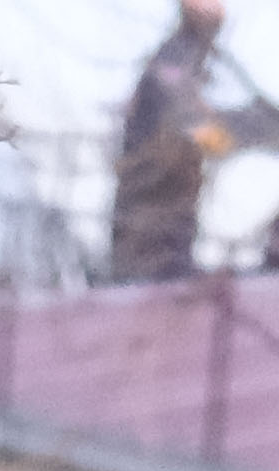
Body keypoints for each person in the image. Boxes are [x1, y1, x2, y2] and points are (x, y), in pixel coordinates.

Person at [109, 0, 266, 277]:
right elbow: (179, 108)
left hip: (171, 184)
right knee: (153, 256)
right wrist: (218, 139)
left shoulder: (195, 57)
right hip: (155, 181)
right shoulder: (175, 56)